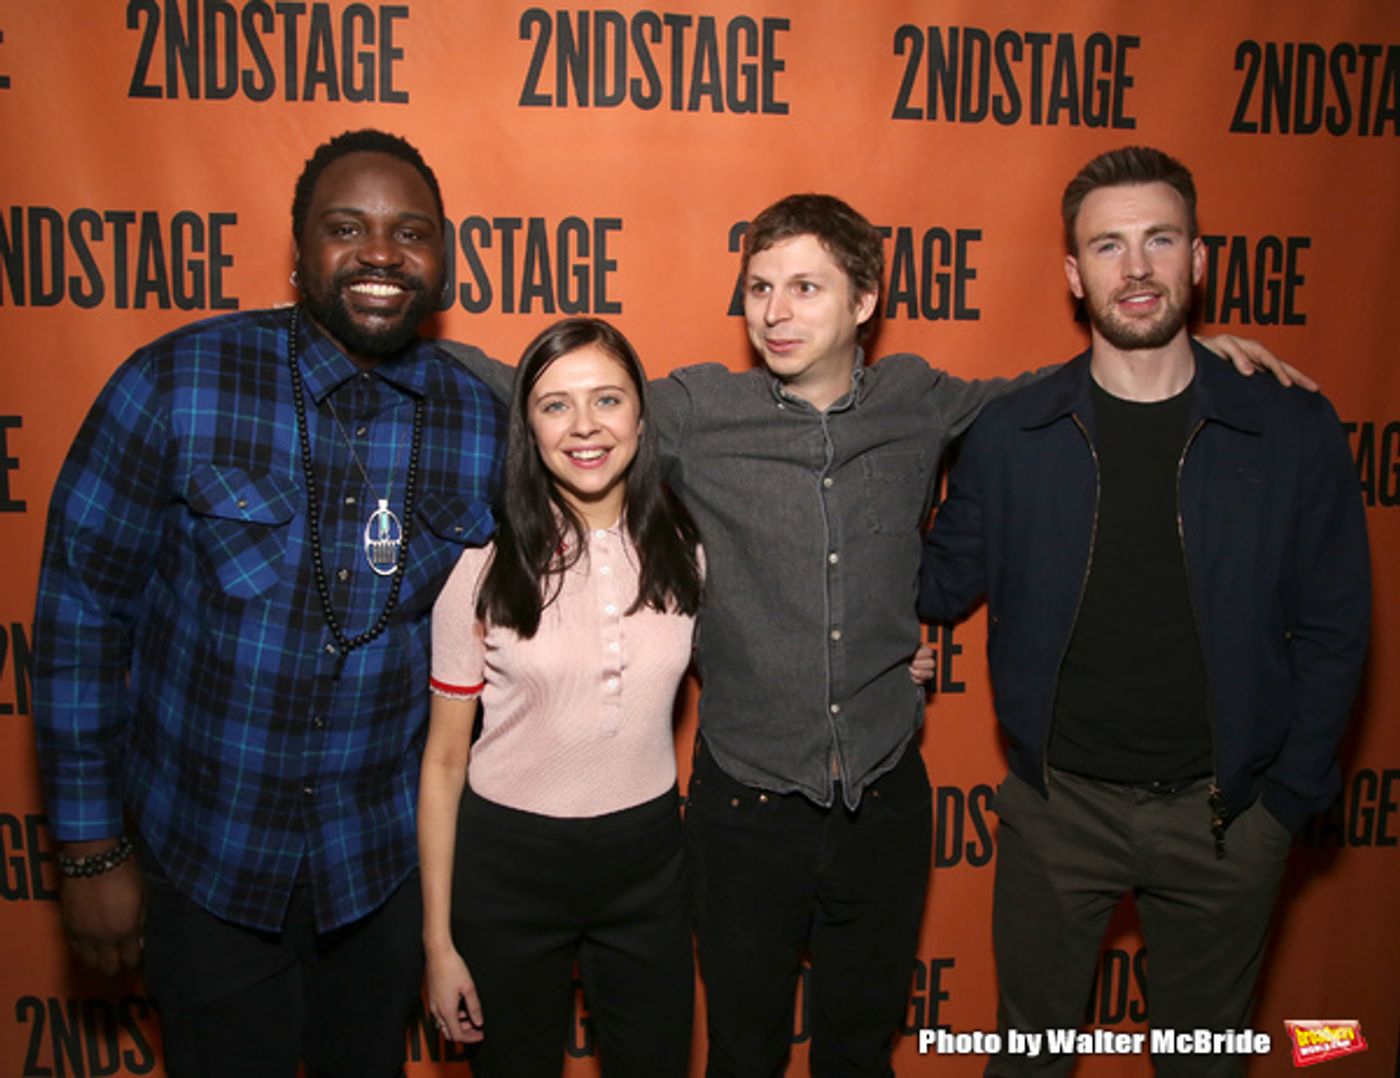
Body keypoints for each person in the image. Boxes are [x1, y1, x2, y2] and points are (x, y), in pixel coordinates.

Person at [444, 193, 1304, 1077]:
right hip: (746, 809)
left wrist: (1188, 358)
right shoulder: (698, 410)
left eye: (806, 287)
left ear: (864, 302)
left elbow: (1050, 396)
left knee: (860, 1053)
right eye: (759, 288)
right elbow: (535, 389)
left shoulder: (918, 400)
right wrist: (371, 330)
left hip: (885, 803)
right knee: (744, 1053)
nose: (775, 312)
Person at [32, 129, 503, 1078]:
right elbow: (79, 620)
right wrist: (87, 851)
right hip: (207, 866)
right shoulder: (177, 383)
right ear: (299, 253)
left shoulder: (478, 418)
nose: (380, 253)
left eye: (411, 232)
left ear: (442, 260)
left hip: (379, 877)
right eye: (347, 227)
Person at [917, 146, 1370, 1076]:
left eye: (1159, 240)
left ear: (1198, 262)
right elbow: (930, 583)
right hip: (1058, 812)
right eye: (1108, 246)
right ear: (1073, 275)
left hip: (1228, 815)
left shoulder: (1288, 426)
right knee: (1028, 1062)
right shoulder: (1012, 436)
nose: (1135, 268)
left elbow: (1337, 626)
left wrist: (1283, 805)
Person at [418, 317, 703, 1077]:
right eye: (555, 405)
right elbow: (444, 762)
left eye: (607, 400)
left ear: (641, 418)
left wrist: (890, 654)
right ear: (528, 428)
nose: (585, 427)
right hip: (506, 869)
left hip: (647, 864)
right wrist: (439, 944)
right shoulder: (483, 565)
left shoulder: (687, 551)